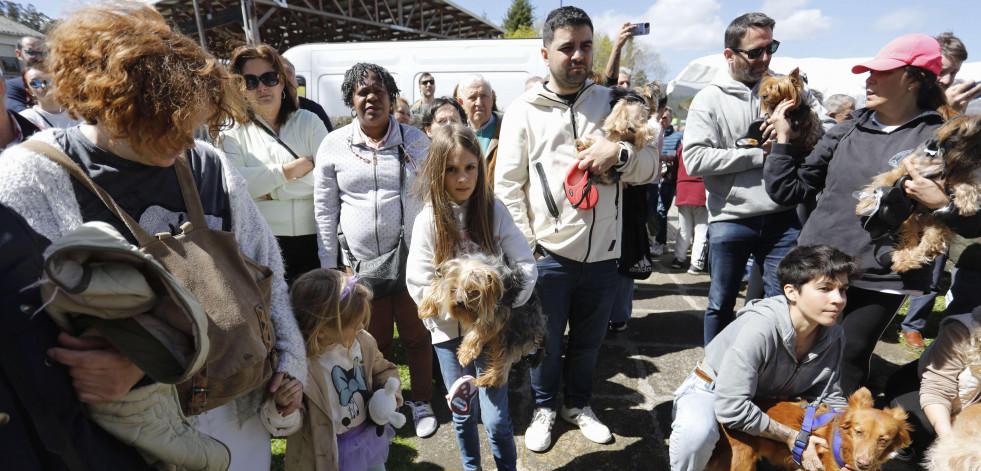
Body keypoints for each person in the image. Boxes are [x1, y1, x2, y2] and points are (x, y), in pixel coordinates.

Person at [0, 3, 308, 470]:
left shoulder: (207, 163)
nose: (188, 141)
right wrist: (141, 368)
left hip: (236, 415)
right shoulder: (29, 178)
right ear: (116, 107)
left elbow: (268, 275)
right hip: (123, 441)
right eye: (172, 128)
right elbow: (24, 345)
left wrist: (290, 364)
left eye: (194, 126)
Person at [763, 33, 974, 395]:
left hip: (883, 273)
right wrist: (782, 143)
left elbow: (973, 219)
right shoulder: (845, 130)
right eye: (869, 71)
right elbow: (787, 191)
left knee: (848, 358)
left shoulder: (943, 137)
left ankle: (829, 443)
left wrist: (940, 203)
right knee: (792, 350)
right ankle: (780, 432)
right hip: (819, 262)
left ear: (914, 79)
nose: (869, 79)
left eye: (882, 72)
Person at [495, 6, 657, 452]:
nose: (578, 55)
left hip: (604, 255)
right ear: (545, 52)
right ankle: (546, 408)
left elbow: (650, 167)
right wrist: (528, 248)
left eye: (586, 46)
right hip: (549, 255)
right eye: (567, 47)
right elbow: (507, 186)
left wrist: (618, 155)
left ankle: (578, 404)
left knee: (588, 343)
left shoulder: (613, 103)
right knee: (543, 343)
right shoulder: (522, 111)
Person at [683, 12, 832, 346]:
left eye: (771, 47)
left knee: (783, 302)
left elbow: (819, 137)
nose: (765, 58)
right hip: (731, 218)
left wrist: (797, 132)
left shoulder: (788, 88)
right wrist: (760, 153)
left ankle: (771, 369)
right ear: (729, 54)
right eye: (755, 52)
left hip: (783, 217)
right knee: (721, 303)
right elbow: (694, 160)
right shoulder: (709, 99)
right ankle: (715, 373)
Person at [313, 62, 438, 438]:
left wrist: (436, 257)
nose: (371, 98)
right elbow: (324, 210)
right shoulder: (333, 145)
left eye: (379, 91)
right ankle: (376, 404)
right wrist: (331, 270)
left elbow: (435, 200)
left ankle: (421, 401)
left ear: (391, 97)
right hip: (360, 269)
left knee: (418, 338)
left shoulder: (417, 141)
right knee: (372, 343)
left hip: (413, 264)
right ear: (351, 100)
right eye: (362, 92)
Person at [407, 124, 536, 471]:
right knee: (462, 413)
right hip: (449, 336)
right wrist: (455, 307)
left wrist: (500, 303)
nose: (462, 178)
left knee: (496, 418)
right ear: (438, 171)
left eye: (469, 168)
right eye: (451, 169)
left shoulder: (493, 210)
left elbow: (525, 264)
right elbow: (418, 280)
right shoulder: (429, 220)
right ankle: (471, 467)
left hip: (493, 332)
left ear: (480, 167)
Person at [669, 244, 856, 471]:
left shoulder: (834, 335)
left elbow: (828, 397)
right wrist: (793, 436)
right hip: (712, 390)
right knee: (696, 434)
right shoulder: (760, 327)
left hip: (767, 399)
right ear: (791, 292)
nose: (838, 299)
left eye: (843, 289)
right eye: (825, 288)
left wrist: (845, 449)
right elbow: (732, 408)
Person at [262, 269, 402, 471]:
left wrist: (387, 395)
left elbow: (383, 370)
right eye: (354, 324)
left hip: (366, 437)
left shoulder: (363, 342)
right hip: (326, 452)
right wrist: (284, 406)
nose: (362, 326)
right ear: (321, 332)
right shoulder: (301, 366)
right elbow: (292, 421)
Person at [221, 44, 328, 285]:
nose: (261, 87)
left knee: (314, 319)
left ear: (282, 82)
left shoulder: (310, 122)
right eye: (250, 81)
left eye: (269, 78)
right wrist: (288, 171)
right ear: (240, 88)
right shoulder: (232, 131)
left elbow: (327, 179)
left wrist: (270, 190)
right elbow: (235, 185)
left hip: (316, 241)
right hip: (261, 245)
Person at [456, 74, 505, 183]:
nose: (479, 103)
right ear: (461, 102)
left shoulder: (507, 129)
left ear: (492, 99)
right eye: (472, 97)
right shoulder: (455, 135)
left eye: (484, 96)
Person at [672, 140, 709, 274]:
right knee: (701, 229)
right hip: (700, 190)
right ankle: (696, 263)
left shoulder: (682, 148)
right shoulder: (706, 147)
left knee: (684, 228)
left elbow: (675, 169)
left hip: (683, 189)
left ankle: (678, 259)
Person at [654, 107, 682, 258]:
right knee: (655, 211)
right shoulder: (652, 132)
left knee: (661, 210)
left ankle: (659, 242)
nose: (662, 120)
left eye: (665, 118)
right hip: (652, 178)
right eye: (661, 117)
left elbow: (680, 159)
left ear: (671, 119)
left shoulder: (678, 136)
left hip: (667, 179)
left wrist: (669, 172)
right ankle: (662, 241)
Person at [18, 66, 82, 130]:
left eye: (46, 80)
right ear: (29, 91)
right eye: (34, 83)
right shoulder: (27, 118)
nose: (43, 86)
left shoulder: (80, 111)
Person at [283, 57, 334, 132]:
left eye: (288, 72)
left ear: (296, 82)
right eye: (281, 74)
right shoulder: (270, 112)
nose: (285, 77)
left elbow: (329, 140)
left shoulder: (315, 109)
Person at [935, 32, 980, 116]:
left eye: (953, 73)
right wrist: (949, 111)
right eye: (941, 72)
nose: (947, 80)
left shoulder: (965, 102)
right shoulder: (911, 102)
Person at [5, 36, 45, 113]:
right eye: (31, 52)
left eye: (42, 53)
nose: (39, 57)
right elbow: (21, 117)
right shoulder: (12, 86)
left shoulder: (58, 81)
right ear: (19, 54)